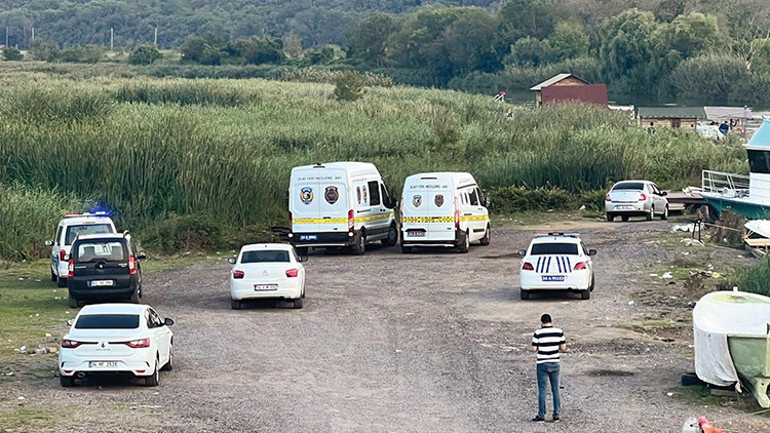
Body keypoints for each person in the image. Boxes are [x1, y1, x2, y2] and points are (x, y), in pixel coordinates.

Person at [531, 313, 566, 423]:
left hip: (542, 363)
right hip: (555, 362)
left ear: (542, 322)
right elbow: (563, 347)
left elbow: (534, 349)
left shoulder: (538, 333)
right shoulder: (559, 332)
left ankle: (541, 414)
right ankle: (556, 414)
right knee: (555, 389)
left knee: (542, 390)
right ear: (551, 321)